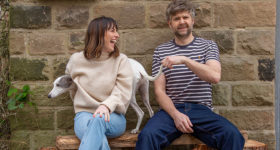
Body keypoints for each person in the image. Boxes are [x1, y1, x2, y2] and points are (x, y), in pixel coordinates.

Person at [136, 0, 245, 150]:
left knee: (232, 135)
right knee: (147, 136)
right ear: (170, 24)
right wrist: (175, 115)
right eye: (176, 19)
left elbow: (214, 76)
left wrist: (185, 60)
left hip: (201, 110)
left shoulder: (208, 46)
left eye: (185, 17)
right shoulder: (161, 51)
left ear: (192, 21)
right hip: (170, 111)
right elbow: (159, 92)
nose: (182, 22)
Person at [65, 16, 133, 150]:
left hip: (113, 117)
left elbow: (122, 92)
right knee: (97, 136)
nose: (117, 35)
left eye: (116, 31)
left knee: (98, 119)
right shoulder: (76, 61)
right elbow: (72, 88)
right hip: (84, 115)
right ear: (99, 34)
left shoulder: (121, 60)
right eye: (112, 31)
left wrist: (106, 106)